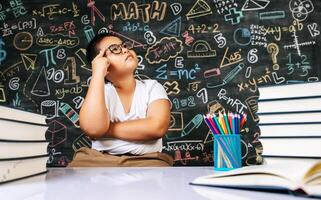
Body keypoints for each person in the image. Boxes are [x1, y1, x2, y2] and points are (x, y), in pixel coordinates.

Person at [67, 33, 173, 167]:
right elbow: (93, 129)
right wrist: (98, 73)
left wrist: (107, 129)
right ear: (102, 62)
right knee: (75, 171)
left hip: (146, 160)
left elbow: (157, 127)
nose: (125, 50)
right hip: (99, 159)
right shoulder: (99, 92)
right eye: (115, 49)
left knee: (159, 172)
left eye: (124, 45)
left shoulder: (152, 87)